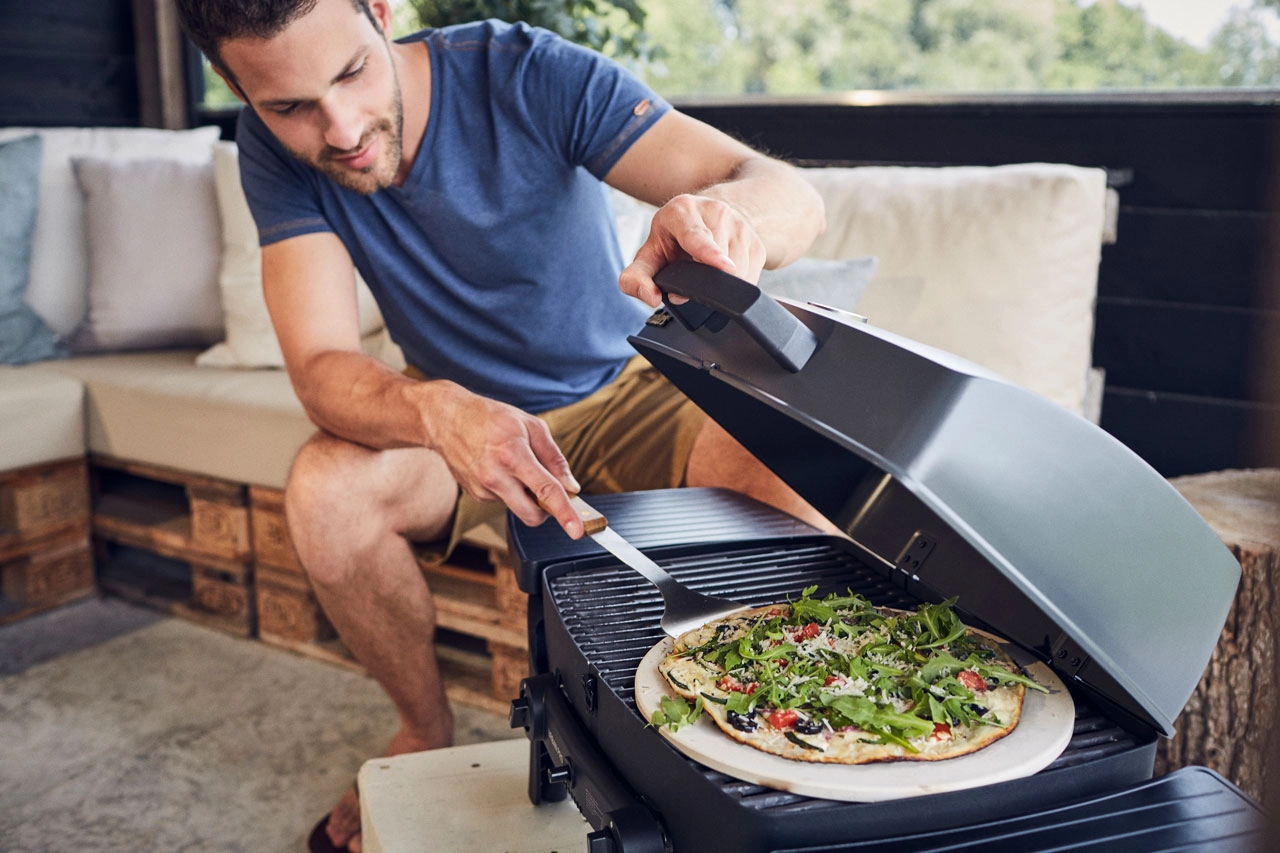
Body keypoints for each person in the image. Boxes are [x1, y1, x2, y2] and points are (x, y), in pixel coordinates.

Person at [176, 0, 826, 848]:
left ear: (381, 12)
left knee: (779, 451)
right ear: (235, 85)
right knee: (326, 490)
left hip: (625, 386)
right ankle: (420, 729)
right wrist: (436, 406)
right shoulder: (267, 150)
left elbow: (784, 190)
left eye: (349, 73)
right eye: (289, 106)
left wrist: (728, 220)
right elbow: (321, 366)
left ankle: (763, 766)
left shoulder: (524, 72)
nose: (338, 130)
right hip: (467, 417)